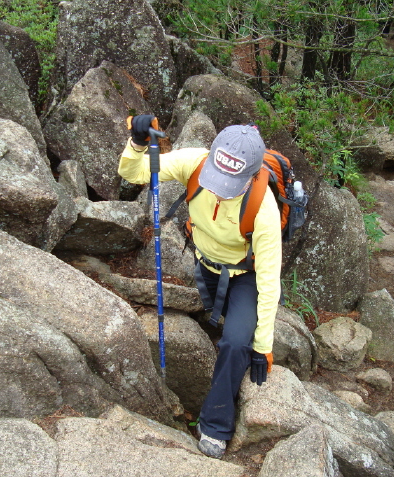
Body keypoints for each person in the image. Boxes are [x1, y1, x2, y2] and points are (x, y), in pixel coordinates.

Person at [118, 114, 282, 459]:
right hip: (204, 264)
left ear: (251, 176)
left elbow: (269, 282)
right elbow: (132, 174)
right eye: (216, 177)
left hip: (244, 276)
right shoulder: (194, 163)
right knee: (220, 323)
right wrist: (136, 142)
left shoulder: (263, 210)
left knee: (237, 343)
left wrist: (263, 344)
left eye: (229, 182)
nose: (218, 187)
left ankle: (215, 426)